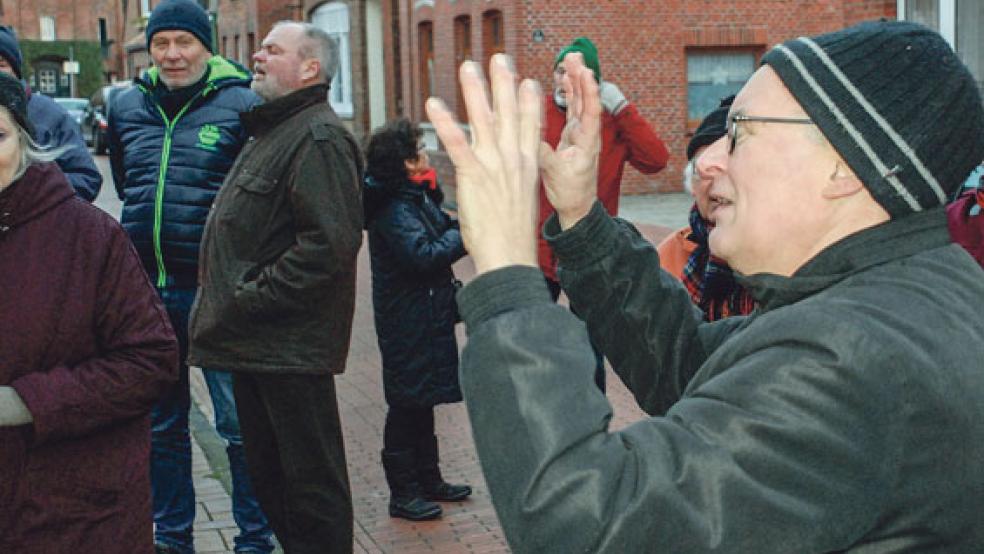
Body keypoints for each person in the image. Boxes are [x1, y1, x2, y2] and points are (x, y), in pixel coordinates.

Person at [427, 19, 984, 553]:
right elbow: (690, 362)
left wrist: (505, 275)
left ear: (847, 168)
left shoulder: (853, 355)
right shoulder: (894, 294)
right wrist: (579, 216)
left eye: (740, 131)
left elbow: (586, 521)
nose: (707, 161)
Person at [188, 20, 364, 554]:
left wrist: (249, 297)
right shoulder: (273, 130)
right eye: (259, 47)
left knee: (310, 489)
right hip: (256, 346)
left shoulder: (318, 138)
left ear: (309, 68)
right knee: (274, 483)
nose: (256, 57)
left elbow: (328, 248)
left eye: (271, 49)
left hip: (287, 348)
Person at [106, 1, 271, 552]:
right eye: (161, 43)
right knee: (161, 425)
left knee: (237, 425)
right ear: (149, 49)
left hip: (217, 292)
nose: (173, 54)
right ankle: (173, 535)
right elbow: (129, 182)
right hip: (146, 293)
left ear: (207, 45)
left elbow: (257, 198)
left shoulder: (243, 103)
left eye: (184, 41)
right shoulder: (129, 105)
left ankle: (254, 535)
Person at [0, 71, 178, 553]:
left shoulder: (89, 237)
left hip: (75, 515)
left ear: (23, 138)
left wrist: (25, 404)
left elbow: (150, 360)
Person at [539, 37, 669, 390]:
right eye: (560, 71)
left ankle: (592, 424)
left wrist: (622, 108)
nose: (564, 80)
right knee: (540, 347)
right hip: (541, 251)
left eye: (575, 74)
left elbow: (656, 160)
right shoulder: (541, 114)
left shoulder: (612, 121)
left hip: (591, 253)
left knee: (588, 349)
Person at [363, 118, 472, 521]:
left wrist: (461, 227)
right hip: (405, 317)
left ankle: (429, 480)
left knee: (421, 399)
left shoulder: (414, 197)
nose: (426, 157)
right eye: (419, 152)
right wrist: (466, 235)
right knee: (407, 402)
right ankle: (403, 492)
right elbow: (423, 254)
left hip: (423, 313)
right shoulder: (393, 209)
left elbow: (442, 228)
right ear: (404, 163)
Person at [656, 95, 755, 321]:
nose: (715, 181)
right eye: (702, 170)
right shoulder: (670, 256)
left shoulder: (785, 253)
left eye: (728, 165)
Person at [0, 25, 102, 201]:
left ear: (15, 71)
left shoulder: (51, 116)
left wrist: (34, 196)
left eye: (1, 64)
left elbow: (86, 179)